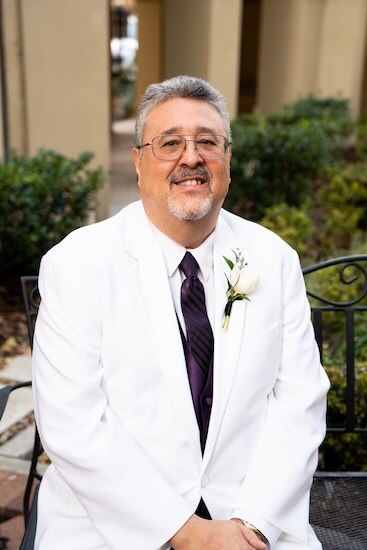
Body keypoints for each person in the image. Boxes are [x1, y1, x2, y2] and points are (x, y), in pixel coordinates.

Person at [32, 75, 329, 549]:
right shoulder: (77, 265)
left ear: (228, 158)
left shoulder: (272, 259)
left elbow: (301, 402)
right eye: (170, 142)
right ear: (138, 161)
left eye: (207, 142)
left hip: (251, 515)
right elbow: (74, 424)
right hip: (110, 524)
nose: (191, 157)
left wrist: (250, 525)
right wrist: (189, 534)